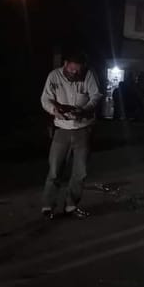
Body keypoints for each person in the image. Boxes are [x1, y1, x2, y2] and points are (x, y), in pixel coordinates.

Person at [40, 51, 103, 219]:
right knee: (55, 170)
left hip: (83, 128)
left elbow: (96, 96)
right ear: (66, 64)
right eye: (72, 70)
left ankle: (71, 205)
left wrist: (84, 110)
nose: (75, 73)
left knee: (80, 171)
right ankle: (48, 206)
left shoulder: (89, 74)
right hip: (61, 129)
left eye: (78, 71)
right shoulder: (54, 76)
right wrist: (54, 110)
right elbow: (45, 99)